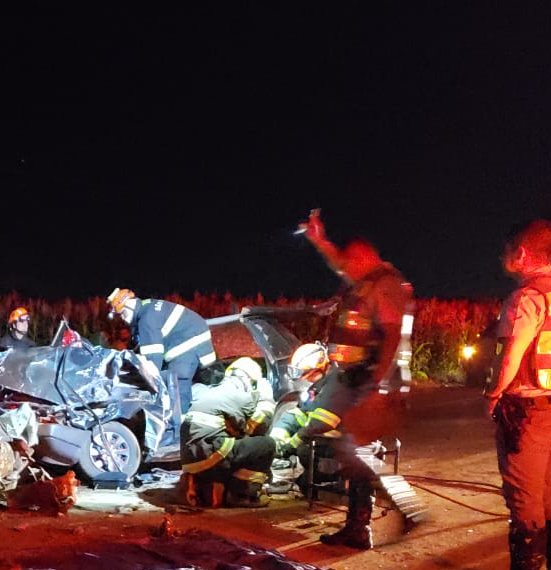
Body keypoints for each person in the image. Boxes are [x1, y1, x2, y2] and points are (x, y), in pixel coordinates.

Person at [274, 209, 426, 549]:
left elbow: (392, 339)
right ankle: (363, 525)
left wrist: (378, 388)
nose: (343, 269)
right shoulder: (365, 278)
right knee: (352, 451)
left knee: (356, 450)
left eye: (349, 262)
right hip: (354, 378)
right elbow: (339, 263)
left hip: (371, 381)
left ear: (364, 258)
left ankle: (395, 512)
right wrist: (319, 241)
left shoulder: (386, 285)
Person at [469, 220, 551, 570]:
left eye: (506, 251)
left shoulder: (527, 297)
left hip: (530, 413)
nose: (502, 257)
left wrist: (494, 393)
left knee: (524, 498)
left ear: (521, 254)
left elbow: (510, 354)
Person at [106, 288, 218, 446]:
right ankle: (181, 429)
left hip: (188, 345)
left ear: (128, 307)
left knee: (177, 382)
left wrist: (148, 381)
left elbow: (153, 357)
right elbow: (139, 348)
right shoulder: (146, 310)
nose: (123, 319)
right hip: (193, 338)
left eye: (121, 314)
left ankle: (180, 435)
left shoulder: (146, 318)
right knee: (173, 380)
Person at [180, 357, 278, 507]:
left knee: (235, 446)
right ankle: (243, 495)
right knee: (266, 445)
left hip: (189, 461)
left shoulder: (207, 390)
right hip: (210, 454)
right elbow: (258, 427)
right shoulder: (241, 396)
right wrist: (266, 398)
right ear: (248, 380)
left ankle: (206, 487)